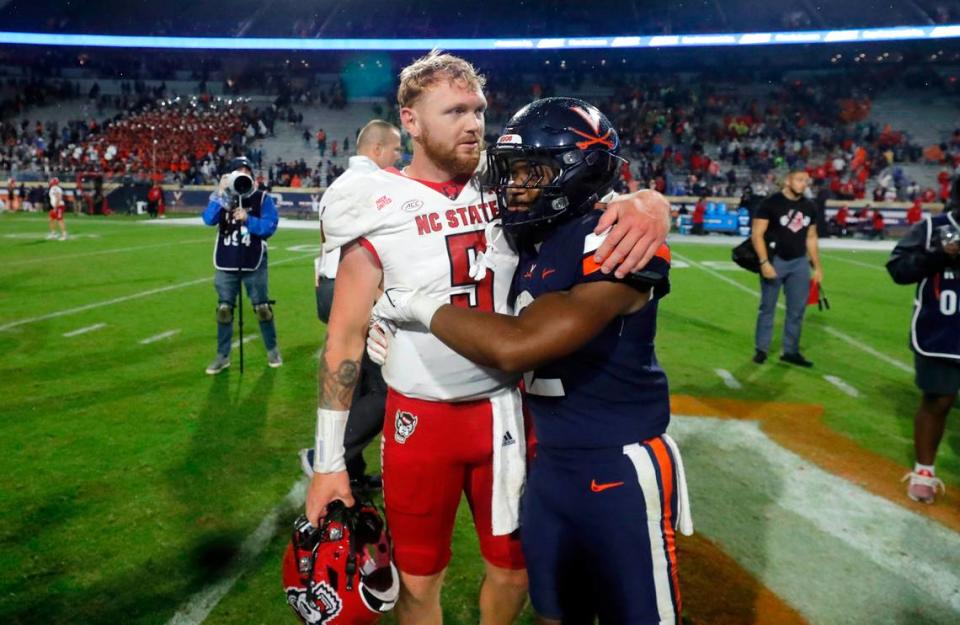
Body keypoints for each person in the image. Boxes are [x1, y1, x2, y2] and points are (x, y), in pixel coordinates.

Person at [306, 52, 672, 625]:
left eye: (478, 109)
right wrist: (329, 461)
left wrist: (646, 202)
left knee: (515, 571)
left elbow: (584, 193)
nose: (474, 122)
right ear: (411, 120)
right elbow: (343, 341)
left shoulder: (509, 184)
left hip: (508, 409)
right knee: (419, 579)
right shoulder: (369, 202)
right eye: (454, 110)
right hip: (419, 418)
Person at [300, 119, 404, 491]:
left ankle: (352, 469)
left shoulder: (342, 184)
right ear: (377, 150)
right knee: (383, 388)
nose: (400, 156)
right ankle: (325, 457)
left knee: (357, 383)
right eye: (395, 149)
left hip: (330, 285)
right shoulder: (375, 184)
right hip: (355, 288)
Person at [886, 175, 959, 504]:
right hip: (940, 331)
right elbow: (898, 270)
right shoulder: (933, 227)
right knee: (938, 401)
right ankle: (924, 471)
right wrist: (940, 256)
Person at [201, 156, 282, 374]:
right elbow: (208, 219)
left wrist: (248, 219)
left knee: (262, 309)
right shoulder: (221, 197)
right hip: (226, 260)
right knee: (224, 310)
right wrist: (220, 193)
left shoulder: (262, 198)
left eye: (247, 172)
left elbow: (269, 228)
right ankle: (222, 356)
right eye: (239, 172)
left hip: (253, 262)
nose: (244, 176)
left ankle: (272, 349)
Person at [750, 169, 823, 367]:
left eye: (806, 181)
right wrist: (764, 262)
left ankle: (790, 351)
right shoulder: (771, 203)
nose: (803, 184)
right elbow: (757, 234)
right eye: (799, 180)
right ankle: (761, 349)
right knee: (768, 307)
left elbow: (811, 237)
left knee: (797, 310)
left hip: (799, 262)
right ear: (788, 181)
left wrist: (817, 267)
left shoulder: (810, 206)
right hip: (776, 260)